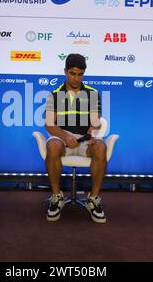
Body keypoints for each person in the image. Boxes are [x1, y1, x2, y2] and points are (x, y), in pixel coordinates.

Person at [44, 53, 107, 223]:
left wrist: (93, 131)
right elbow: (49, 125)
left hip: (84, 141)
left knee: (101, 146)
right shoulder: (55, 94)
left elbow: (95, 121)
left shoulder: (92, 93)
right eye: (72, 73)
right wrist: (65, 136)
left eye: (80, 74)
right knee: (53, 146)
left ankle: (93, 199)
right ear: (65, 71)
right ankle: (57, 196)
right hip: (62, 139)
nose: (76, 78)